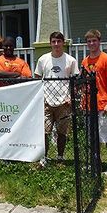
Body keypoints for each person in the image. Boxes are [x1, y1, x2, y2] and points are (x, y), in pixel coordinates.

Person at [34, 32, 79, 167]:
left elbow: (75, 81)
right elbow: (37, 78)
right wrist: (40, 97)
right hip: (47, 101)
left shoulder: (70, 60)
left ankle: (60, 157)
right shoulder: (43, 59)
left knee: (62, 132)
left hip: (63, 103)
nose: (56, 44)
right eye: (53, 41)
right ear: (50, 43)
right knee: (44, 132)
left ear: (63, 42)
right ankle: (44, 158)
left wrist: (71, 97)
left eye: (59, 41)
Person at [81, 29, 107, 178]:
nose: (91, 44)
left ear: (99, 41)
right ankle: (94, 163)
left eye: (94, 41)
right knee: (92, 137)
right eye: (89, 41)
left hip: (103, 104)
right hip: (88, 105)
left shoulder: (106, 59)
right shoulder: (85, 61)